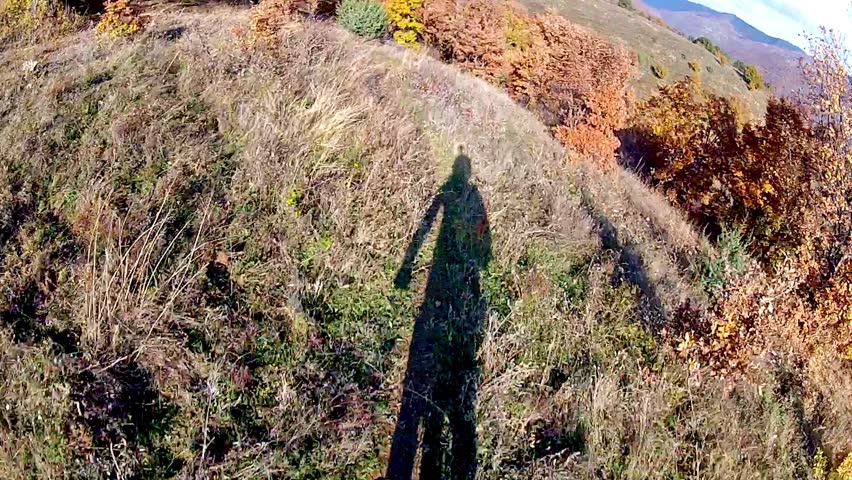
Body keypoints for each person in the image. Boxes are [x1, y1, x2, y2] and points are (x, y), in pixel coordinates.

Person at [386, 152, 491, 480]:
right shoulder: (472, 198)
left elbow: (427, 228)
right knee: (457, 412)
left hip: (443, 287)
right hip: (457, 291)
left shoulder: (448, 194)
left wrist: (407, 267)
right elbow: (485, 248)